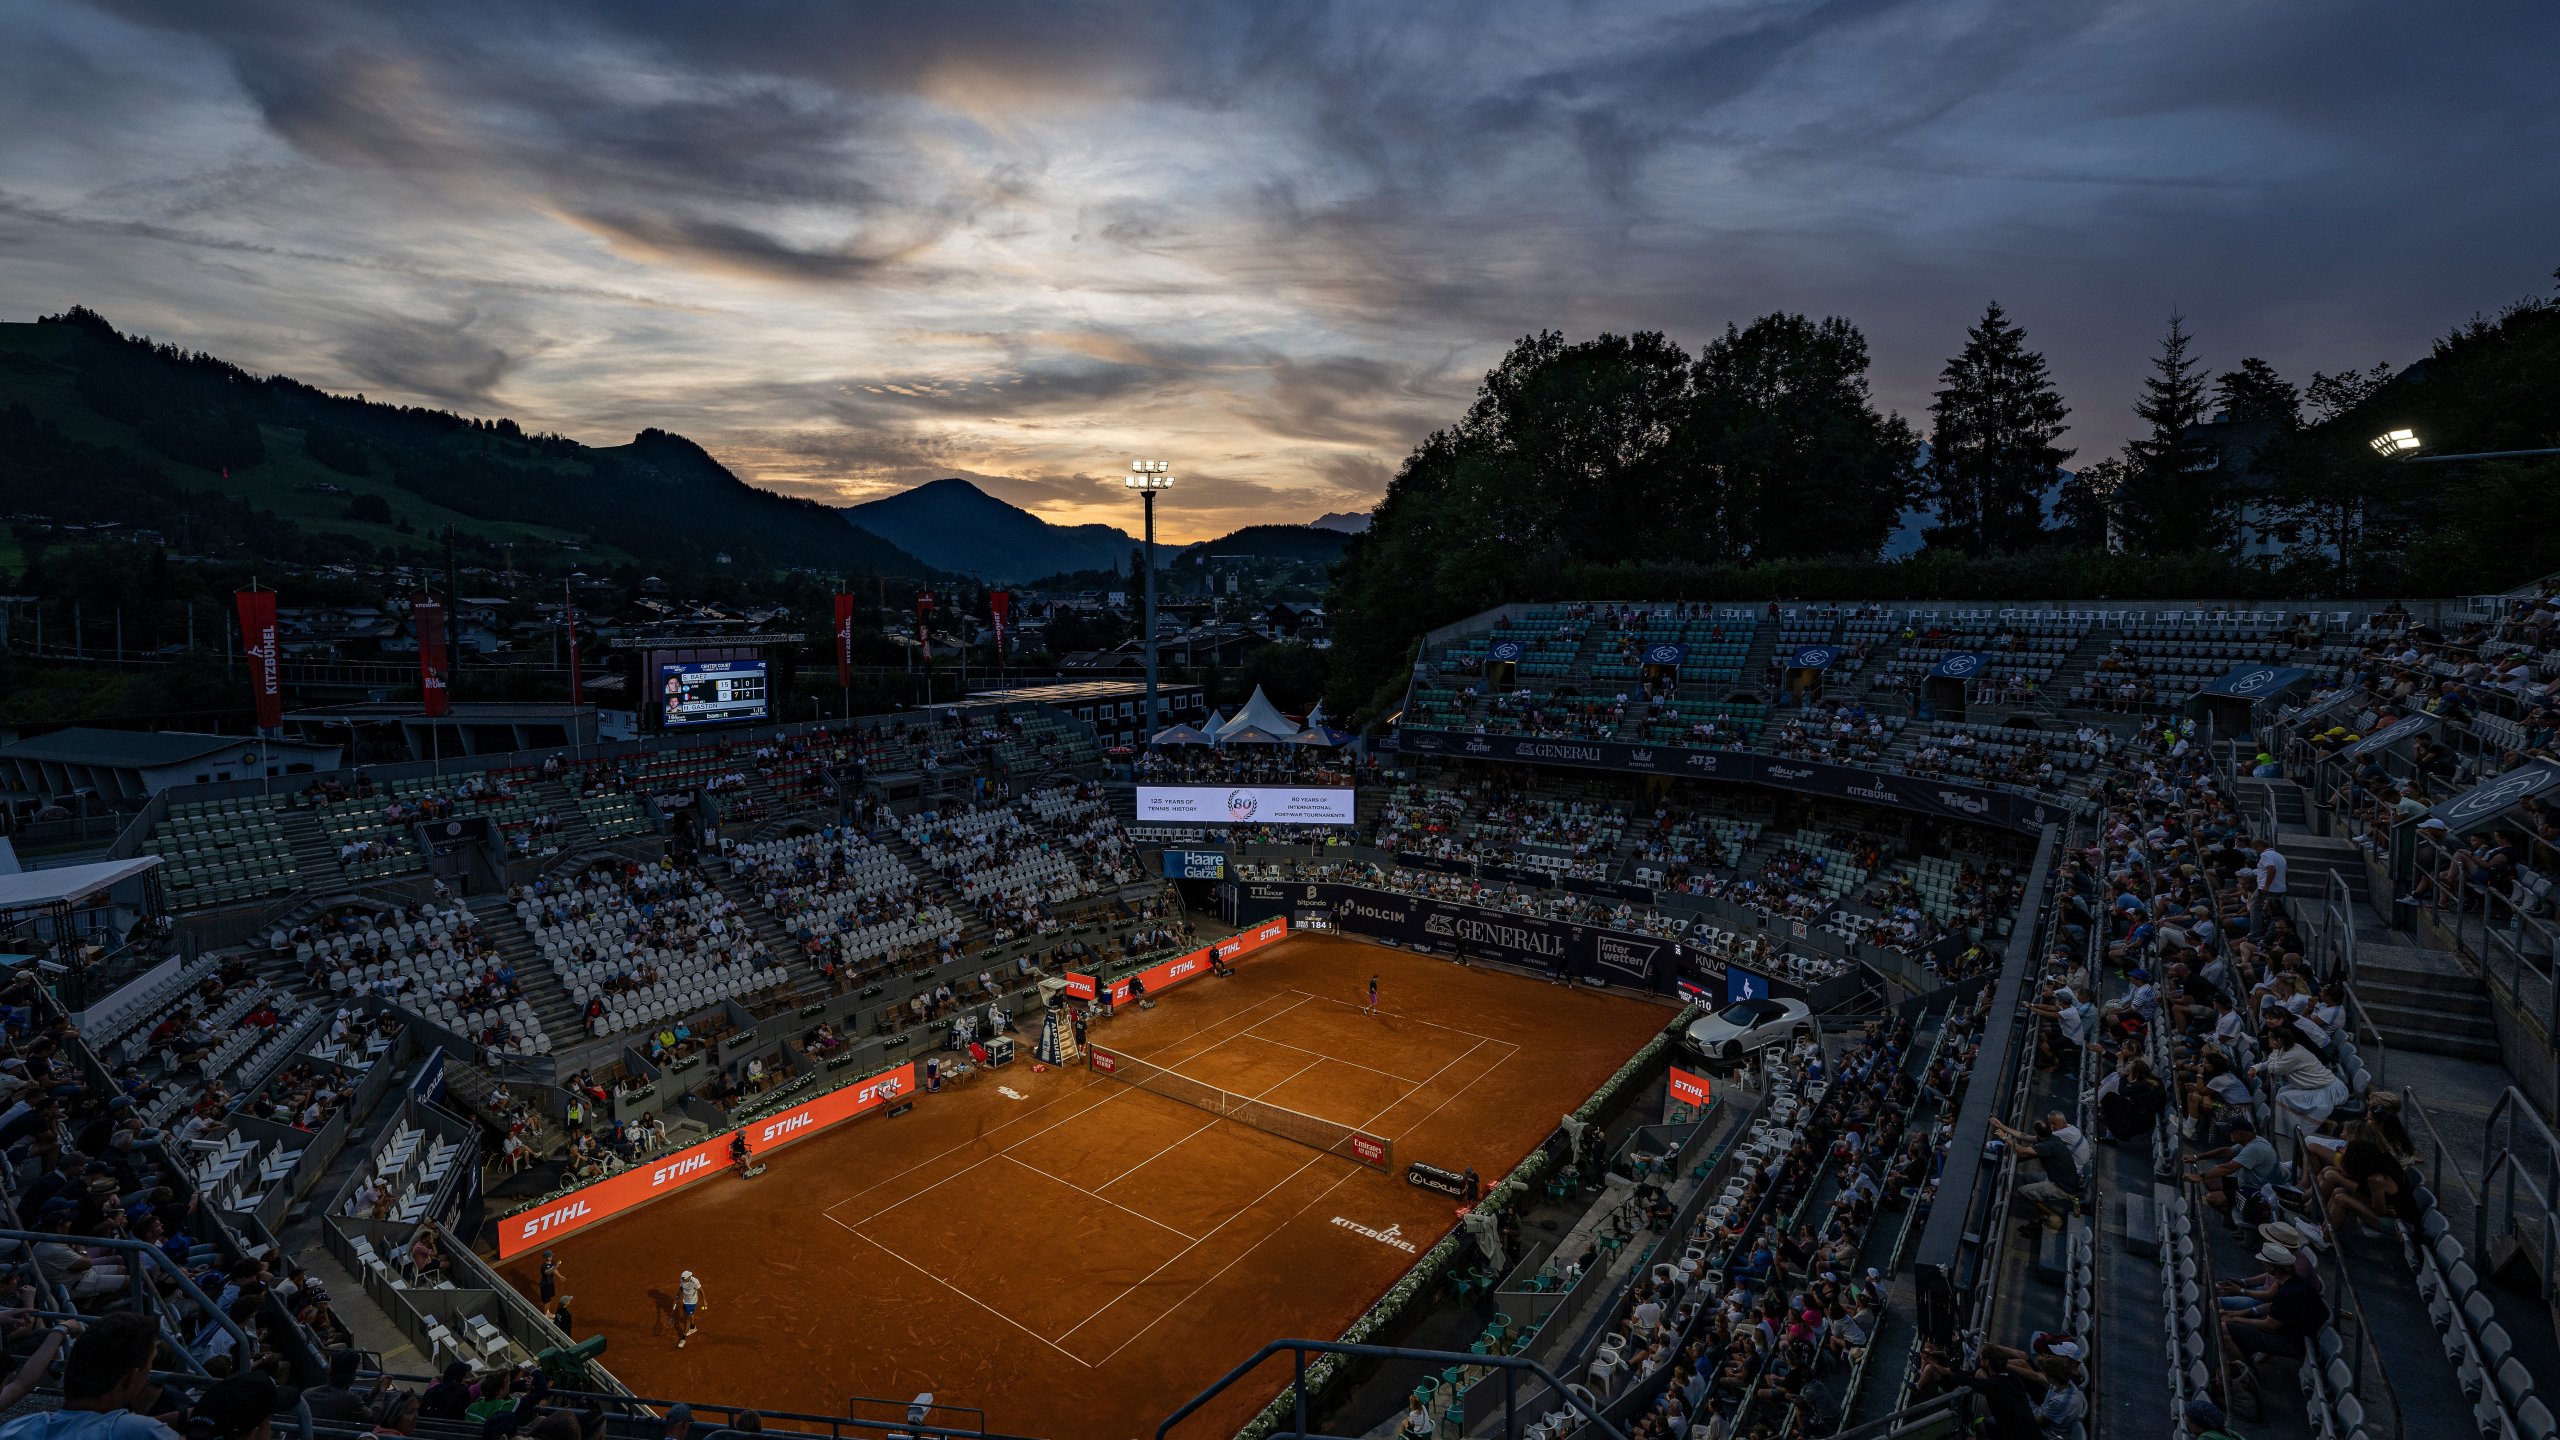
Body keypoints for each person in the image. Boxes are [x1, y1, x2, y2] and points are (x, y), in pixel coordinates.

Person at [0, 1310, 179, 1440]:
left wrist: (60, 1331)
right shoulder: (140, 1431)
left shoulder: (17, 1428)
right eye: (149, 1367)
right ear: (130, 1379)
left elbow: (23, 1384)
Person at [675, 1269, 703, 1348]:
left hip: (692, 1303)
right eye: (682, 1278)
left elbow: (701, 1291)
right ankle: (693, 1327)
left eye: (684, 1279)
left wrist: (704, 1301)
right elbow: (680, 1289)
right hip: (685, 1301)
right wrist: (677, 1297)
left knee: (687, 1320)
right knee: (690, 1314)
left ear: (688, 1277)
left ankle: (683, 1339)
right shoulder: (682, 1280)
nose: (682, 1280)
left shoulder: (695, 1282)